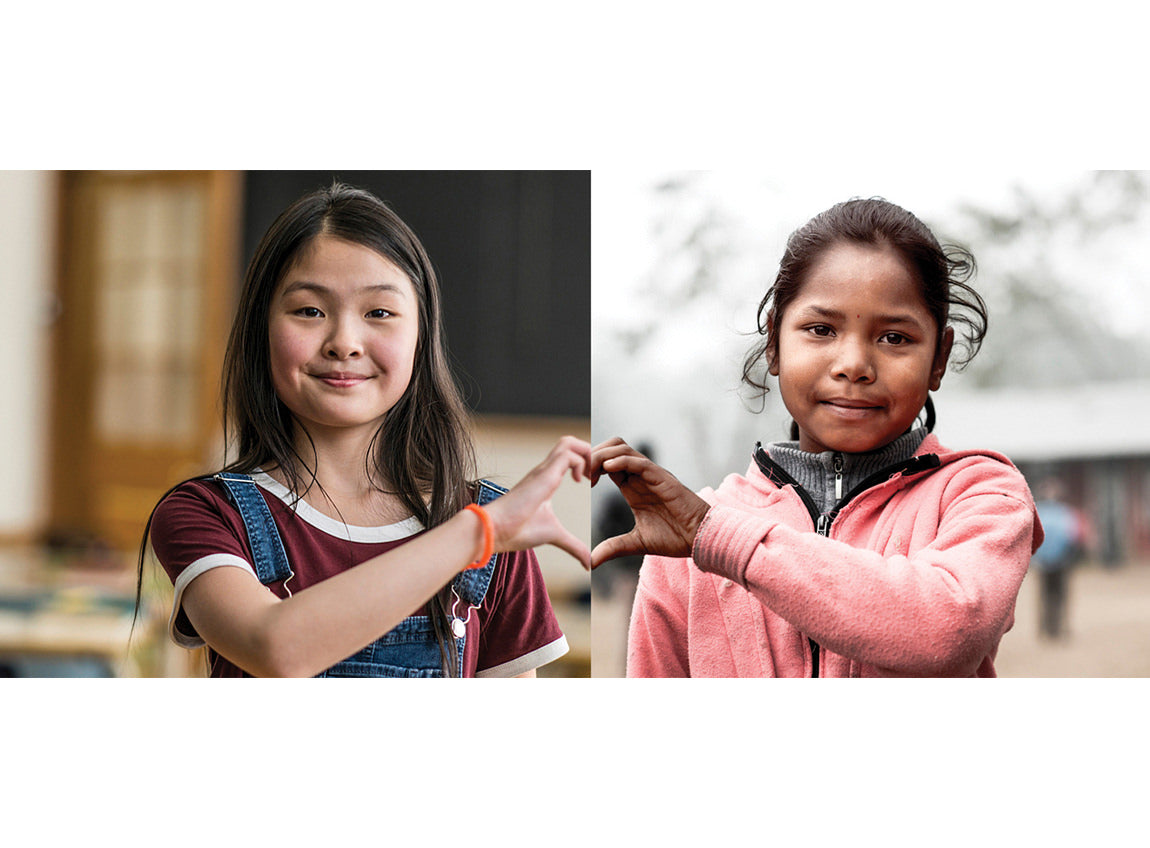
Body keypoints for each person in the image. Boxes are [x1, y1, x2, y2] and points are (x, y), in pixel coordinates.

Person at [137, 182, 590, 678]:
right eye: (310, 310)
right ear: (260, 328)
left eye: (379, 313)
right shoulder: (204, 514)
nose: (344, 343)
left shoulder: (496, 534)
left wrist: (484, 531)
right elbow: (275, 648)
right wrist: (478, 534)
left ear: (421, 336)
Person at [591, 197, 1044, 677]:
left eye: (894, 337)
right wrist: (706, 532)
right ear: (774, 345)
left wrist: (721, 538)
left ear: (938, 358)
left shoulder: (982, 494)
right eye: (821, 329)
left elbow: (948, 629)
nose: (853, 364)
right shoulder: (683, 545)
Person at [1030, 480, 1086, 639]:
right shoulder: (1044, 511)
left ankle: (1060, 628)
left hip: (1061, 560)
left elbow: (1074, 536)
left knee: (1059, 596)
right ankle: (1047, 629)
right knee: (1046, 596)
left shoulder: (1064, 512)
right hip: (1045, 561)